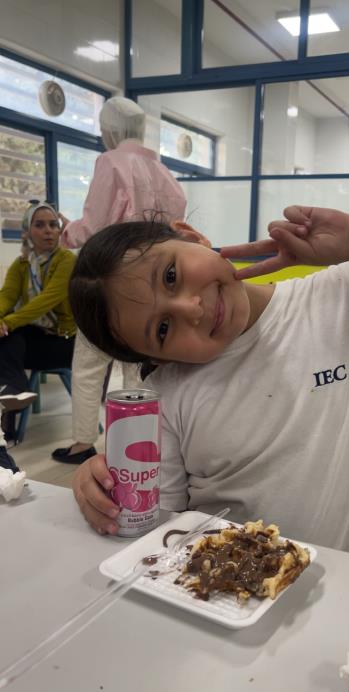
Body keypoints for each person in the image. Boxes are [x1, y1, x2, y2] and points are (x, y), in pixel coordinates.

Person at [69, 206, 349, 556]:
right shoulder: (163, 399)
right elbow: (159, 532)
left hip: (342, 588)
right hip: (215, 588)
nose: (191, 309)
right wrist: (105, 489)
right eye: (163, 329)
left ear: (190, 236)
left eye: (170, 276)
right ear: (158, 358)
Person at [52, 96, 187, 465]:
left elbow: (94, 225)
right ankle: (136, 440)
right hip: (152, 283)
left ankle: (83, 443)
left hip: (110, 277)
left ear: (109, 128)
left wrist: (69, 232)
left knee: (89, 365)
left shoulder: (110, 162)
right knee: (136, 360)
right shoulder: (162, 171)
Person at [0, 201, 76, 443]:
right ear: (28, 231)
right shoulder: (21, 264)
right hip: (35, 336)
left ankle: (10, 405)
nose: (48, 231)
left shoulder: (66, 260)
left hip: (63, 341)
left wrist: (7, 322)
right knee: (6, 338)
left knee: (8, 337)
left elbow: (46, 301)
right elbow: (6, 297)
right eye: (40, 225)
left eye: (53, 225)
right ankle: (11, 398)